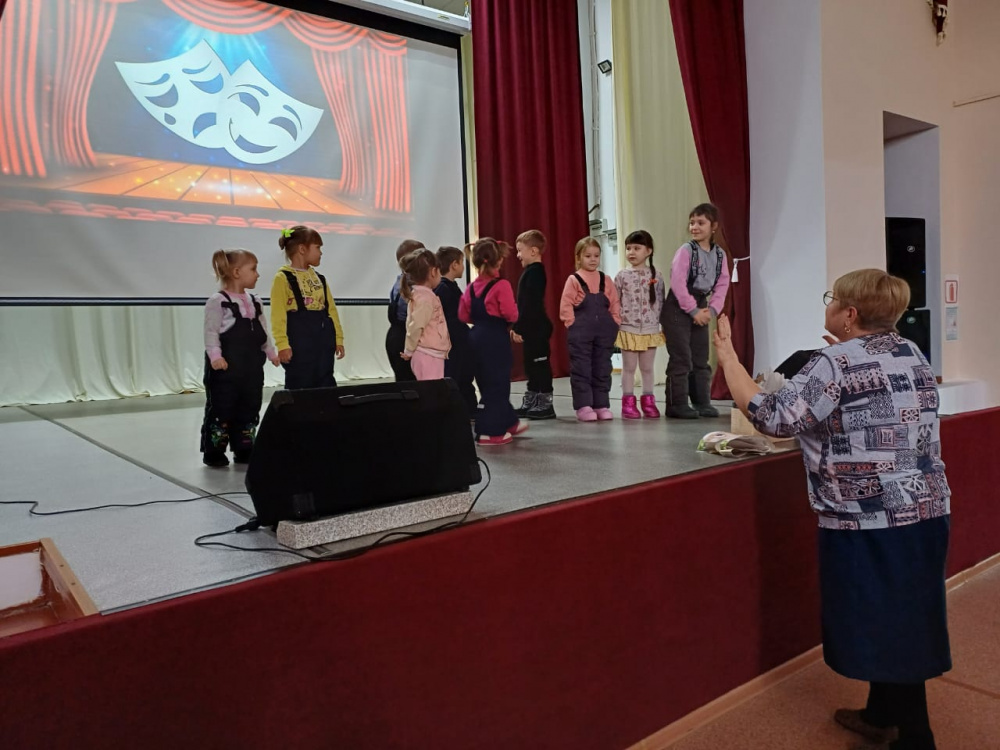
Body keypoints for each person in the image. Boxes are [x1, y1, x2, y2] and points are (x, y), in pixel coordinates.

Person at [714, 269, 951, 750]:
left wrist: (729, 358)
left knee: (886, 621)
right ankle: (882, 714)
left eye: (832, 299)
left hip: (869, 517)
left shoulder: (835, 361)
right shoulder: (910, 351)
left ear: (849, 313)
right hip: (925, 508)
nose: (829, 305)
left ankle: (915, 738)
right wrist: (839, 357)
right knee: (904, 615)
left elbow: (774, 418)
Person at [201, 249, 278, 467]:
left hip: (251, 368)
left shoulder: (256, 301)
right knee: (222, 407)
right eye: (253, 269)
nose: (257, 274)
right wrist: (215, 357)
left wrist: (271, 352)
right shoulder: (218, 301)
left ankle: (244, 447)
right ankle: (214, 450)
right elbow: (211, 333)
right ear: (236, 272)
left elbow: (263, 331)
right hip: (226, 370)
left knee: (250, 406)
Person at [661, 203, 730, 418]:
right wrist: (693, 311)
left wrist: (711, 310)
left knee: (700, 357)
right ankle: (676, 404)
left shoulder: (719, 255)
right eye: (692, 223)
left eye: (701, 223)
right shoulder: (686, 251)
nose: (694, 227)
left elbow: (722, 284)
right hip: (678, 307)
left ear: (713, 226)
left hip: (701, 305)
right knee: (681, 357)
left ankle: (701, 402)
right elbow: (678, 283)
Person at [459, 238, 526, 446]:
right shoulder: (501, 285)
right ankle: (490, 432)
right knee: (498, 384)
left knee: (486, 382)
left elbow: (463, 315)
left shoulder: (470, 288)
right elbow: (511, 313)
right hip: (495, 338)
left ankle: (508, 421)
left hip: (475, 337)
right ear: (498, 261)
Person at [270, 225, 345, 389]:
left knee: (325, 378)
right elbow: (278, 315)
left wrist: (338, 339)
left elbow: (331, 310)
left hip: (323, 338)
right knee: (301, 380)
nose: (321, 253)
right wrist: (282, 344)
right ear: (302, 249)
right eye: (317, 248)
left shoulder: (319, 278)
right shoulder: (283, 278)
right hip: (299, 340)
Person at [559, 237, 621, 422]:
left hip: (604, 331)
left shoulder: (605, 279)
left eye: (596, 255)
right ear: (578, 257)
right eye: (588, 256)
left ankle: (601, 405)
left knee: (602, 367)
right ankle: (584, 406)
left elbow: (614, 302)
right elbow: (566, 303)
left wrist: (615, 321)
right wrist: (571, 323)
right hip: (580, 332)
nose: (593, 259)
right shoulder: (574, 279)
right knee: (582, 368)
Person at [614, 230, 665, 419]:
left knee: (647, 368)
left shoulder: (657, 275)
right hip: (628, 329)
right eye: (628, 248)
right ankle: (628, 403)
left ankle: (648, 402)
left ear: (648, 251)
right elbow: (615, 302)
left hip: (650, 329)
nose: (631, 252)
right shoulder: (622, 276)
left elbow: (661, 301)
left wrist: (661, 325)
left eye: (637, 248)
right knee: (629, 368)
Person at [511, 229, 556, 420]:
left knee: (540, 365)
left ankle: (545, 403)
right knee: (530, 365)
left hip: (537, 328)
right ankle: (532, 399)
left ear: (534, 251)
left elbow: (530, 304)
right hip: (530, 327)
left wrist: (519, 326)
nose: (518, 255)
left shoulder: (536, 272)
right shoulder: (529, 272)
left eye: (520, 250)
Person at [435, 245, 478, 416]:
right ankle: (461, 411)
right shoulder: (443, 289)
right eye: (461, 263)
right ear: (454, 265)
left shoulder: (451, 286)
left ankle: (469, 409)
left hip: (460, 340)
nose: (463, 267)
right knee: (457, 376)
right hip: (453, 342)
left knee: (465, 376)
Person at [399, 248, 450, 380]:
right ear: (433, 272)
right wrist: (409, 349)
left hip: (431, 354)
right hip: (427, 354)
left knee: (433, 389)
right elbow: (416, 326)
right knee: (431, 390)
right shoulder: (425, 298)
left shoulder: (424, 295)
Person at [386, 239, 424, 382]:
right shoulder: (413, 286)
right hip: (406, 339)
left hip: (396, 337)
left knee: (404, 382)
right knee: (411, 383)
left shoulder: (400, 280)